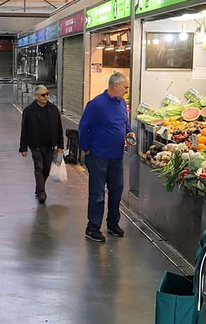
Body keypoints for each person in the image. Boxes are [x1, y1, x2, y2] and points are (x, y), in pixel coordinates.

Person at [77, 72, 136, 243]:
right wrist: (86, 149)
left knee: (117, 190)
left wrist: (129, 132)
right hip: (98, 157)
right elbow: (83, 127)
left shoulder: (121, 103)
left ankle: (112, 223)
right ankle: (93, 227)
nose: (126, 90)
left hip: (116, 157)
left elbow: (124, 123)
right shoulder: (96, 104)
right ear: (115, 86)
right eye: (125, 87)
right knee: (97, 194)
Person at [19, 85, 65, 204]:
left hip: (50, 144)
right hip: (35, 144)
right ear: (36, 96)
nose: (46, 97)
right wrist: (23, 147)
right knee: (38, 167)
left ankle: (39, 186)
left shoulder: (53, 109)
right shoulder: (29, 111)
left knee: (46, 168)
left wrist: (60, 145)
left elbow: (59, 128)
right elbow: (24, 129)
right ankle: (41, 192)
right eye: (43, 95)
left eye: (47, 94)